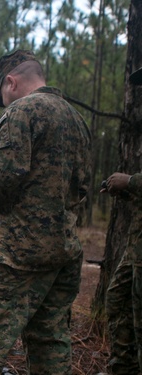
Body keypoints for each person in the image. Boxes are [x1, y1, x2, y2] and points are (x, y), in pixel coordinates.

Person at [0, 50, 91, 374]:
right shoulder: (76, 119)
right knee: (50, 340)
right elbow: (84, 187)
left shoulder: (23, 111)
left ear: (11, 81)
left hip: (16, 254)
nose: (4, 102)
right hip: (63, 252)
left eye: (2, 95)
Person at [102, 66, 142, 375]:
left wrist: (130, 182)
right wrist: (126, 190)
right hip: (136, 243)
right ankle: (123, 368)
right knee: (117, 298)